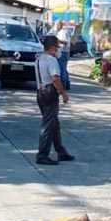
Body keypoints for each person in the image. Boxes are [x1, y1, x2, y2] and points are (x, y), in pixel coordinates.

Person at [35, 35, 73, 165]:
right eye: (57, 46)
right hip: (50, 92)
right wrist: (64, 94)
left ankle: (61, 151)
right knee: (48, 126)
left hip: (40, 91)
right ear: (52, 47)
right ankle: (42, 155)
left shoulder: (39, 59)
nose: (58, 49)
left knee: (54, 124)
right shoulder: (52, 60)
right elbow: (55, 79)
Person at [53, 20, 73, 91]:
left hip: (63, 52)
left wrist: (56, 40)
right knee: (64, 69)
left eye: (55, 25)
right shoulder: (62, 32)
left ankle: (63, 86)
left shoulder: (63, 32)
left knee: (62, 69)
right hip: (64, 52)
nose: (54, 27)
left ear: (59, 25)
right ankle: (66, 85)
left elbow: (65, 42)